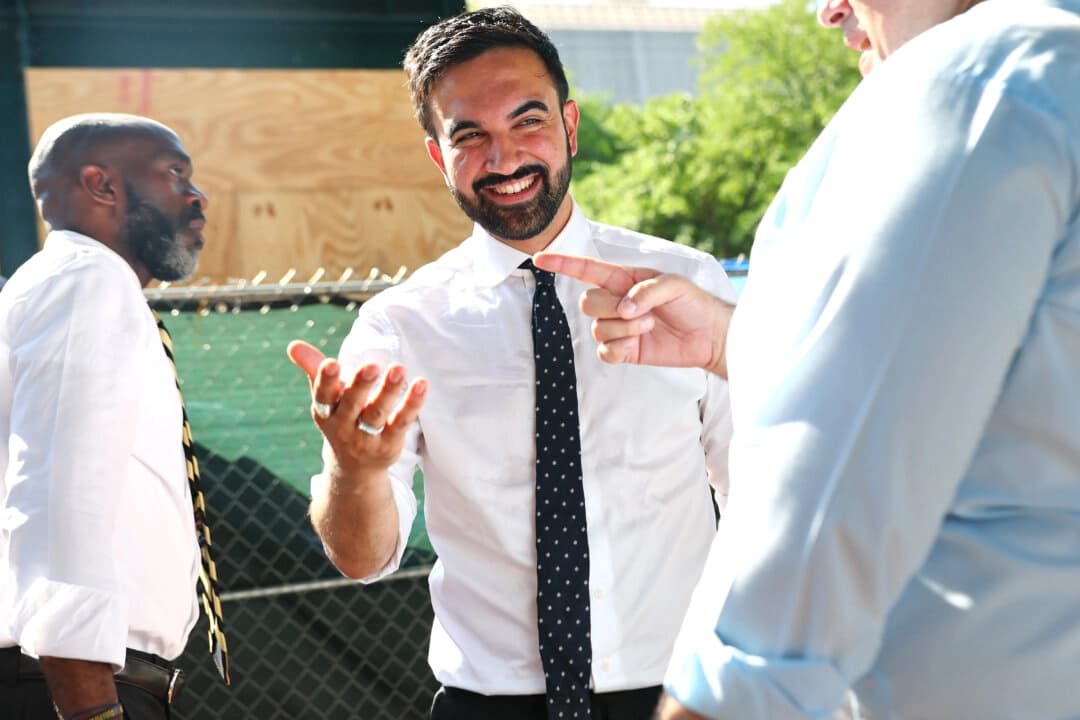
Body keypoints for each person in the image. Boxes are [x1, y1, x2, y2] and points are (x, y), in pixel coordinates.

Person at [536, 0, 1080, 717]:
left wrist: (719, 699)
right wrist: (736, 341)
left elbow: (823, 522)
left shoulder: (983, 80)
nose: (829, 12)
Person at [286, 7, 737, 719]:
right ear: (439, 155)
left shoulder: (688, 289)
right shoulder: (400, 326)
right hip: (490, 704)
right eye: (469, 135)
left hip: (686, 693)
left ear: (570, 126)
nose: (504, 159)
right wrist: (355, 471)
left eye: (528, 122)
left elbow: (765, 492)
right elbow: (362, 558)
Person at [0, 113, 228, 720]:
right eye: (175, 174)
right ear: (101, 185)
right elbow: (56, 495)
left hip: (75, 680)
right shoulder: (86, 280)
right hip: (72, 689)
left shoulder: (83, 286)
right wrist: (91, 708)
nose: (196, 195)